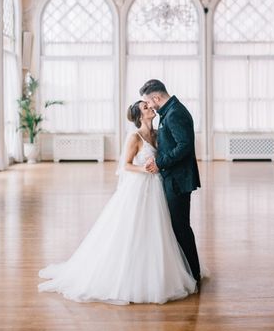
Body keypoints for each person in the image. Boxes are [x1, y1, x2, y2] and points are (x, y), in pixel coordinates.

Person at [38, 100, 197, 304]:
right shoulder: (135, 137)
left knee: (157, 229)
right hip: (140, 186)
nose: (151, 108)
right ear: (140, 116)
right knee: (133, 228)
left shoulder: (158, 134)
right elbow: (126, 166)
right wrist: (145, 170)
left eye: (149, 106)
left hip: (157, 187)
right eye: (146, 108)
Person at [140, 79, 201, 286]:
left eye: (150, 102)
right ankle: (186, 270)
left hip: (178, 179)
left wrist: (160, 162)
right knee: (177, 226)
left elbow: (185, 146)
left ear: (157, 97)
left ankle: (193, 274)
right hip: (173, 177)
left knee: (181, 227)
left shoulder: (174, 113)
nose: (151, 107)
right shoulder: (169, 111)